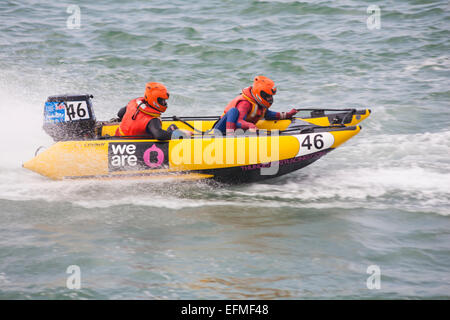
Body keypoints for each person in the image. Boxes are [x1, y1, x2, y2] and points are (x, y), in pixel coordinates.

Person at [213, 76, 298, 134]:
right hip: (220, 130)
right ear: (259, 93)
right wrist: (250, 125)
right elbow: (238, 122)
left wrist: (288, 114)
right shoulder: (245, 103)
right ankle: (229, 138)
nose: (270, 99)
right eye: (267, 96)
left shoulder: (259, 105)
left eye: (271, 96)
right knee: (233, 111)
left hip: (237, 131)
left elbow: (269, 115)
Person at [115, 82, 191, 139]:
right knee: (173, 127)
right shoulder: (152, 119)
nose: (164, 103)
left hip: (118, 138)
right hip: (135, 146)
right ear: (154, 100)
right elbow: (159, 135)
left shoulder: (133, 103)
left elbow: (120, 114)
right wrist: (180, 134)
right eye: (162, 101)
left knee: (172, 128)